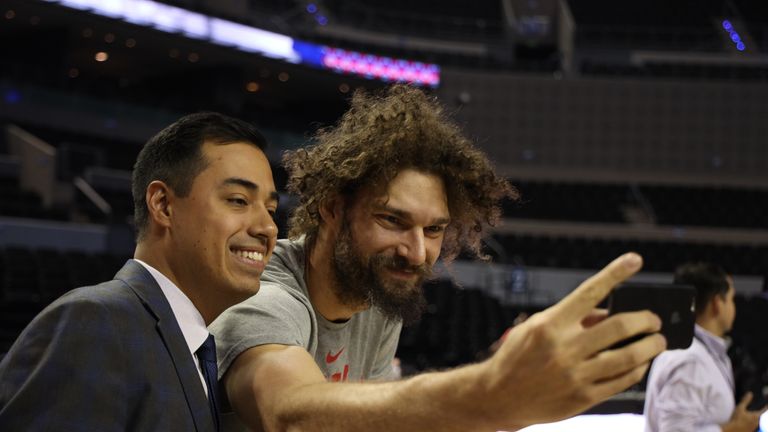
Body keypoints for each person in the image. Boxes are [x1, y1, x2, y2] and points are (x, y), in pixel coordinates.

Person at [209, 85, 667, 432]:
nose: (416, 252)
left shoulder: (376, 298)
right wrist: (490, 392)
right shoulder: (264, 294)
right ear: (332, 207)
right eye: (392, 220)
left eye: (433, 230)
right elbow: (290, 413)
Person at [0, 112, 279, 431]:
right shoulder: (95, 322)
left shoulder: (195, 347)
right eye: (239, 200)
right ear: (162, 205)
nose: (267, 227)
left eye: (270, 209)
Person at [644, 262, 767, 432]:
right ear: (717, 303)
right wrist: (734, 429)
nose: (734, 307)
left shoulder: (702, 353)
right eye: (731, 299)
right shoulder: (689, 359)